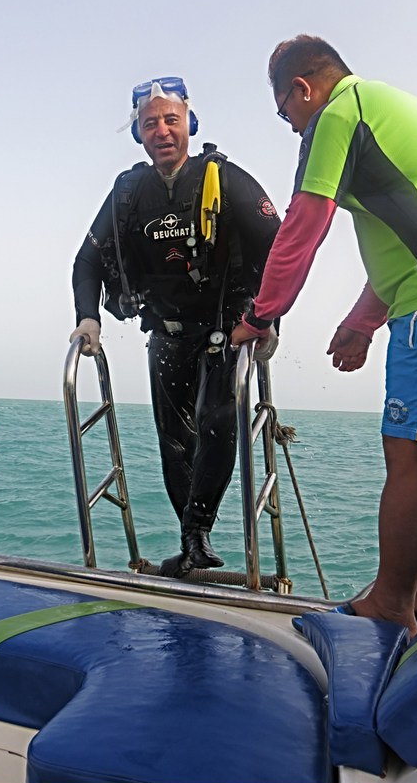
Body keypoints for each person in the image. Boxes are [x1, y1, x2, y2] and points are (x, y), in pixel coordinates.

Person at [231, 36, 417, 636]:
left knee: (409, 455)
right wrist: (363, 321)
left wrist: (260, 316)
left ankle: (393, 603)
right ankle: (415, 595)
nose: (291, 126)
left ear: (302, 90)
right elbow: (414, 230)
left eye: (284, 111)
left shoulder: (339, 114)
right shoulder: (380, 106)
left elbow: (303, 225)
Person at [70, 77, 280, 578]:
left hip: (229, 330)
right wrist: (87, 317)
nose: (162, 131)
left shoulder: (223, 178)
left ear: (190, 122)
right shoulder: (129, 191)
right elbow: (86, 260)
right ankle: (193, 540)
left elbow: (280, 244)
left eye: (171, 119)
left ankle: (197, 531)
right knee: (174, 439)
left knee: (215, 422)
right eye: (150, 123)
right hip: (165, 332)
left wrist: (266, 317)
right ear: (139, 135)